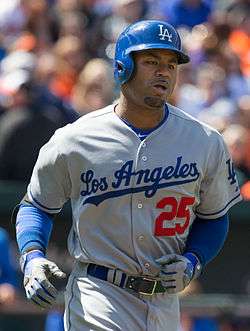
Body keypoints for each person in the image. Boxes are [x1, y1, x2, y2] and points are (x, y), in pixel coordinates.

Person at [15, 20, 242, 331]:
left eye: (171, 63)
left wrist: (194, 259)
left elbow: (215, 215)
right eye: (151, 62)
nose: (164, 71)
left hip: (165, 302)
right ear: (122, 67)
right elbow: (36, 205)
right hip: (98, 293)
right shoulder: (75, 139)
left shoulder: (204, 140)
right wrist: (32, 256)